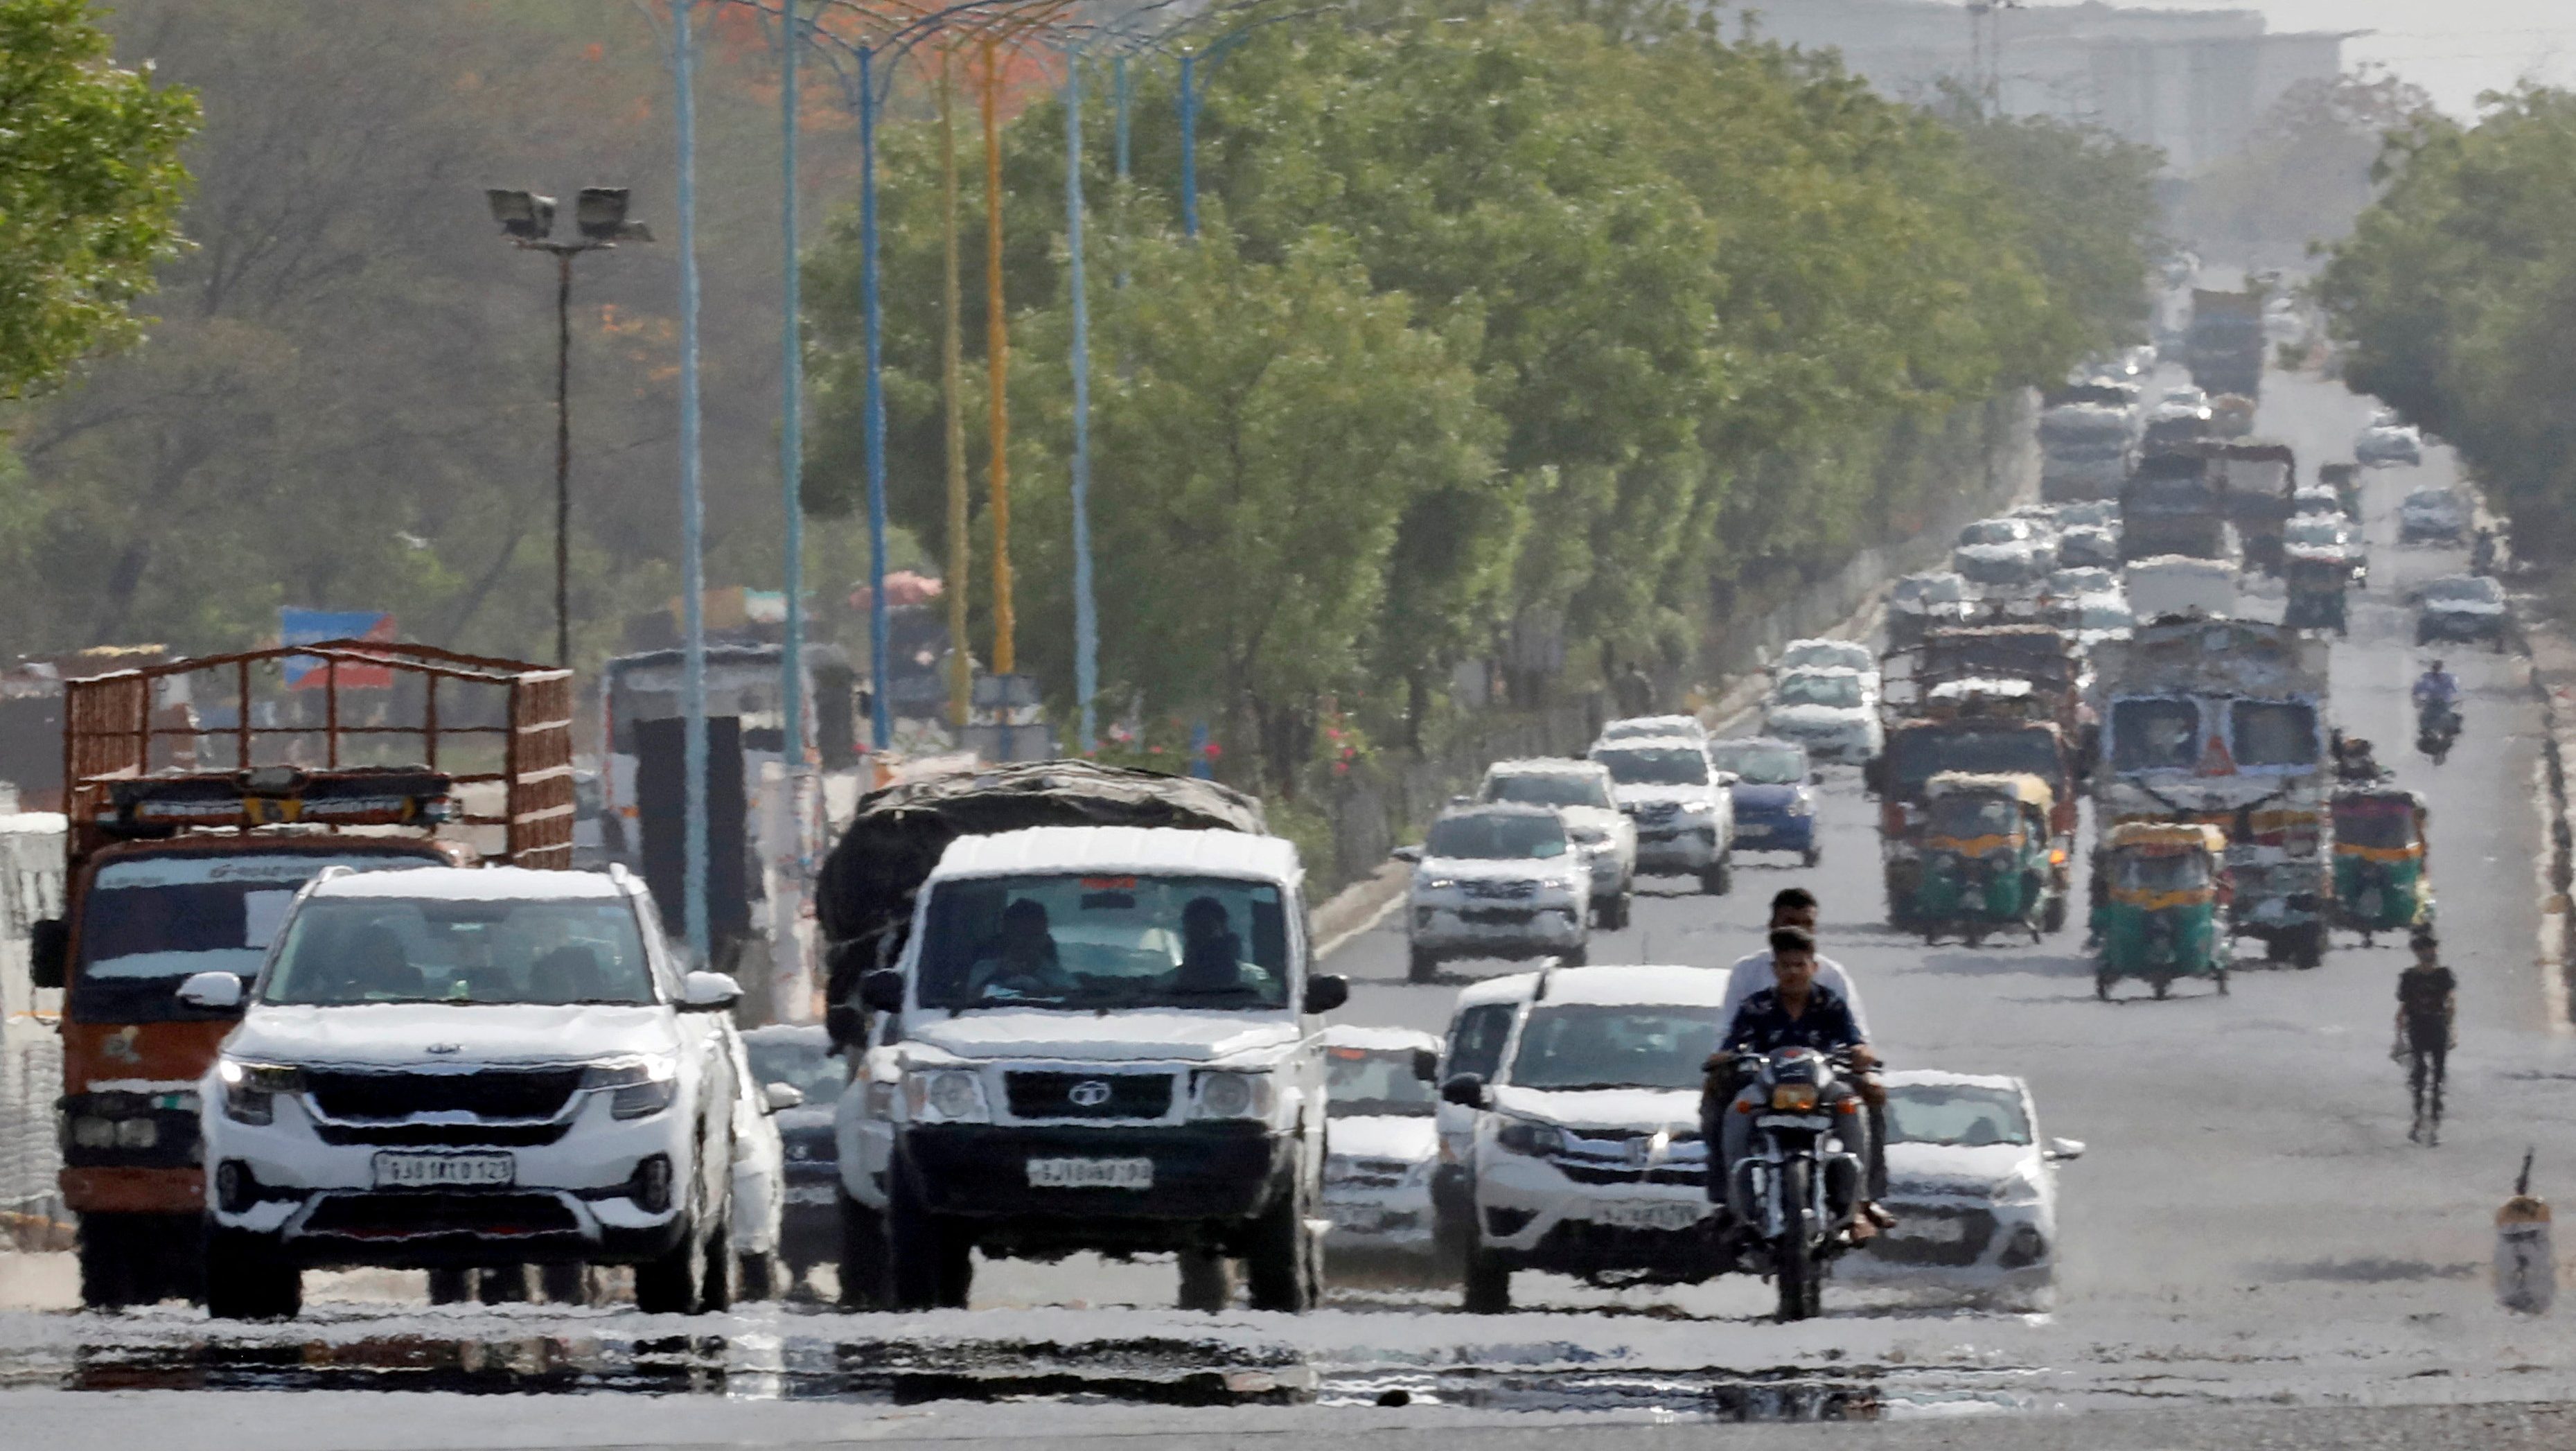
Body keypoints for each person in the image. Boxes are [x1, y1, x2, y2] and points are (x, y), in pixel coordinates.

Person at [1704, 927, 1889, 1232]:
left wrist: (1862, 1053)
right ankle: (1737, 1208)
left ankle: (1857, 1206)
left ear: (1813, 968)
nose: (1793, 972)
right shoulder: (1756, 1007)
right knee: (1735, 1116)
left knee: (1855, 1113)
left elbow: (1855, 1041)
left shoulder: (1831, 1005)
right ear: (1774, 969)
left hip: (1824, 1087)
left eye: (1800, 965)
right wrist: (1724, 1057)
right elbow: (1732, 1045)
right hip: (1766, 1088)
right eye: (1785, 965)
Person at [1720, 888, 1872, 1037]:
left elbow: (1858, 1034)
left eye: (1807, 924)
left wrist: (1860, 1051)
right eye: (1791, 923)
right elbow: (1727, 1031)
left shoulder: (1832, 975)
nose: (1799, 931)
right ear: (1772, 926)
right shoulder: (1746, 971)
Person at [2396, 931, 2456, 1145]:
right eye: (2424, 949)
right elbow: (2403, 1008)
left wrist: (2451, 1029)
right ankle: (2421, 1116)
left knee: (2438, 1075)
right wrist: (2399, 1037)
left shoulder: (2443, 976)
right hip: (2419, 1027)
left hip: (2436, 1025)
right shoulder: (2409, 978)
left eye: (2430, 948)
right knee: (2420, 1073)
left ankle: (2433, 1119)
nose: (2428, 953)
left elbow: (2450, 1004)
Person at [970, 898, 1066, 999]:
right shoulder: (982, 970)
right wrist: (1000, 974)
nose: (1027, 942)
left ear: (1045, 938)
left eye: (1035, 935)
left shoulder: (1057, 975)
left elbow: (1074, 1001)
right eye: (1021, 934)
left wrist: (1045, 983)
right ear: (1006, 934)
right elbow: (967, 1001)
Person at [1170, 895, 1258, 997]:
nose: (1201, 938)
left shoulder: (1251, 981)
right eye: (1194, 932)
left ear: (1224, 931)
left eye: (1206, 929)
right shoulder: (1165, 989)